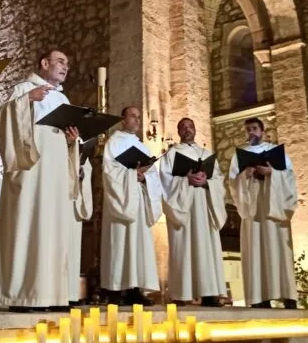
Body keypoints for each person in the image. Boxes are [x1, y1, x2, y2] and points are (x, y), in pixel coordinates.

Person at [0, 49, 83, 312]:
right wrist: (26, 100)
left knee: (52, 228)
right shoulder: (23, 89)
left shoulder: (62, 98)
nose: (66, 67)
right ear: (44, 63)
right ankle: (22, 294)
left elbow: (58, 135)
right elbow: (2, 119)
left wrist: (70, 140)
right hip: (31, 172)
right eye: (61, 61)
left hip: (53, 174)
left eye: (67, 64)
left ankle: (51, 294)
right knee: (29, 223)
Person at [227, 117, 297, 308]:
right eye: (248, 129)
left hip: (273, 210)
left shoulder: (277, 153)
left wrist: (271, 172)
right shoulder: (239, 156)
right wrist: (245, 175)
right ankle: (260, 297)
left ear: (262, 131)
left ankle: (286, 295)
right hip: (253, 209)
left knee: (278, 248)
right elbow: (233, 183)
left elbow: (290, 178)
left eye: (255, 128)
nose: (251, 132)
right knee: (255, 248)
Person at [158, 118, 227, 306]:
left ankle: (210, 293)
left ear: (195, 129)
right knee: (183, 246)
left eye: (190, 126)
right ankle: (182, 293)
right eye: (183, 127)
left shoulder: (206, 154)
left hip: (204, 205)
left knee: (206, 248)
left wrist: (207, 182)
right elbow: (164, 182)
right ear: (179, 132)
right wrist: (185, 180)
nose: (187, 130)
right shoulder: (171, 154)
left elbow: (219, 179)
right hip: (184, 206)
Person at [101, 106, 163, 306]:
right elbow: (109, 172)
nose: (136, 120)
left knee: (137, 245)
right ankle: (117, 290)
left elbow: (152, 174)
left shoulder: (142, 147)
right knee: (120, 243)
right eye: (132, 116)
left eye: (138, 117)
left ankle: (136, 288)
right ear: (123, 120)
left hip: (137, 200)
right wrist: (131, 174)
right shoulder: (114, 142)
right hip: (121, 201)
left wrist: (144, 177)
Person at [68, 144, 94, 306]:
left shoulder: (77, 140)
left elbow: (86, 166)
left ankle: (68, 293)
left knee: (71, 250)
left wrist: (81, 169)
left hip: (72, 200)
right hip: (56, 200)